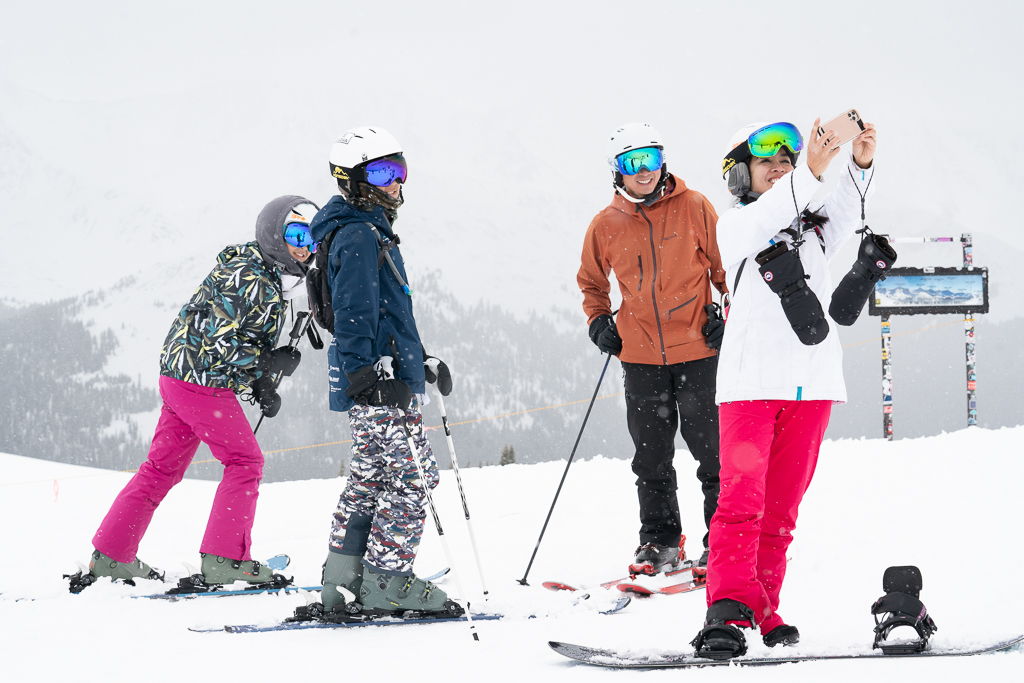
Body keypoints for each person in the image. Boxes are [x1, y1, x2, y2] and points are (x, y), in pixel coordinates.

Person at [691, 119, 877, 658]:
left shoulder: (815, 229)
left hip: (812, 386)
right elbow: (775, 212)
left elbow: (848, 208)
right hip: (751, 385)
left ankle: (763, 608)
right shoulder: (737, 225)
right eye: (766, 163)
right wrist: (814, 168)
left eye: (786, 162)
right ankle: (727, 608)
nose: (779, 169)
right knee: (740, 504)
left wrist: (859, 161)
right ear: (740, 176)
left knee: (781, 510)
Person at [70, 196, 319, 593]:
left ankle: (112, 555)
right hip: (201, 383)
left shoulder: (259, 269)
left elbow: (223, 333)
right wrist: (263, 372)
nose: (306, 245)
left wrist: (263, 374)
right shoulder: (253, 277)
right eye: (296, 233)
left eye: (314, 235)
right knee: (245, 462)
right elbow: (223, 339)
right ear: (275, 234)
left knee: (161, 469)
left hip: (180, 378)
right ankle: (226, 559)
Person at [299, 126, 459, 621]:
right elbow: (353, 312)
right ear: (352, 179)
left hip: (382, 373)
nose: (395, 181)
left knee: (370, 477)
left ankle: (343, 581)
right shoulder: (360, 234)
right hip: (378, 382)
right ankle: (388, 583)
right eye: (383, 172)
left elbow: (384, 313)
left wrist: (420, 361)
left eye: (400, 169)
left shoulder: (360, 229)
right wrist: (370, 375)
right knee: (412, 478)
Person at [577, 122, 727, 574]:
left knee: (714, 455)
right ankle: (659, 541)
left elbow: (727, 271)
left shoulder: (695, 206)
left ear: (663, 162)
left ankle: (722, 541)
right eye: (631, 162)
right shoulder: (605, 225)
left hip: (699, 350)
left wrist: (728, 317)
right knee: (651, 458)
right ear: (616, 171)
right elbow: (591, 283)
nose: (643, 170)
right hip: (640, 356)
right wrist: (599, 321)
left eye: (651, 159)